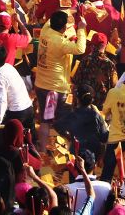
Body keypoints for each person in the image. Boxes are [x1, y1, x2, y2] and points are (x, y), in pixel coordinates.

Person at [34, 10, 87, 150]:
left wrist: (69, 12)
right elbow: (80, 49)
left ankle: (44, 151)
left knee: (45, 120)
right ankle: (68, 151)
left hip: (41, 85)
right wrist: (81, 29)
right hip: (55, 89)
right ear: (64, 28)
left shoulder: (45, 31)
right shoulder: (61, 43)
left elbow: (51, 19)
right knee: (64, 121)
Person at [0, 43, 33, 130]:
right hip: (28, 109)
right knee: (30, 139)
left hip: (18, 113)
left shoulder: (0, 74)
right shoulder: (8, 67)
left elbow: (2, 101)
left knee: (3, 141)